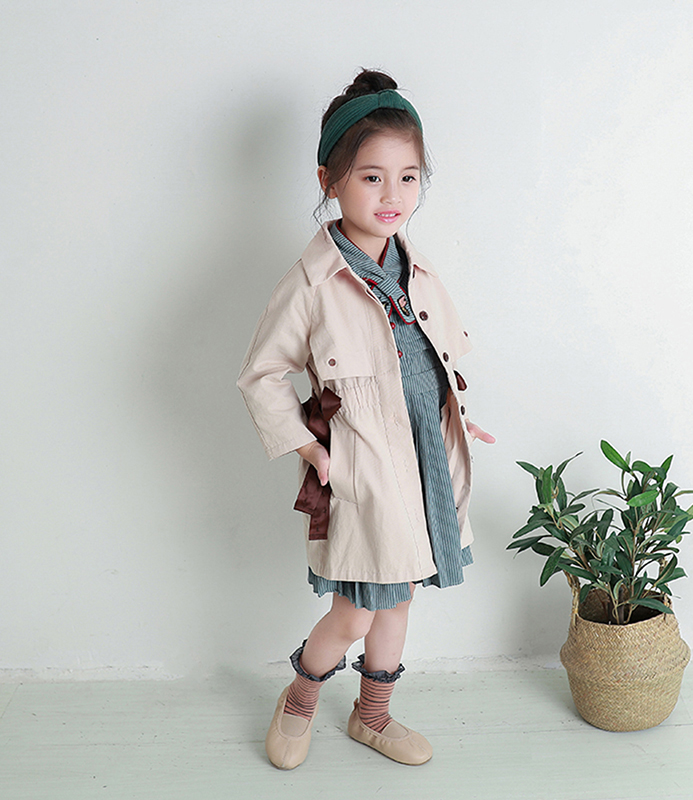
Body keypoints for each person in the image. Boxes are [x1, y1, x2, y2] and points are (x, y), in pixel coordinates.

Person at [237, 69, 494, 770]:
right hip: (365, 467)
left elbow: (435, 358)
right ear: (329, 179)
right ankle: (299, 700)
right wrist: (308, 447)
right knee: (355, 608)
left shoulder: (418, 269)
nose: (391, 196)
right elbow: (261, 374)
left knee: (400, 599)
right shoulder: (312, 282)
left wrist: (458, 418)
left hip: (426, 456)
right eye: (371, 177)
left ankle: (372, 716)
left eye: (408, 178)